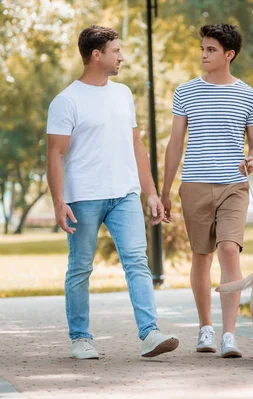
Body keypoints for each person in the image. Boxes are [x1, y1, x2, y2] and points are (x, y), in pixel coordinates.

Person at [46, 25, 179, 360]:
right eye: (116, 50)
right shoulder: (66, 101)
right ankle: (80, 338)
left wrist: (149, 193)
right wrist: (58, 202)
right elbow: (55, 154)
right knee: (80, 267)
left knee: (137, 262)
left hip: (124, 194)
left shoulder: (123, 94)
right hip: (83, 197)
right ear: (96, 55)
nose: (121, 56)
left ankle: (150, 333)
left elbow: (136, 146)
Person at [161, 23, 253, 358]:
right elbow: (175, 145)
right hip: (195, 184)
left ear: (229, 55)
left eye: (211, 50)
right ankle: (206, 327)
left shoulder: (249, 95)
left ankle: (230, 334)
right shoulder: (186, 92)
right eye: (202, 49)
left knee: (230, 250)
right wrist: (165, 191)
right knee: (201, 255)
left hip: (234, 185)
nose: (204, 55)